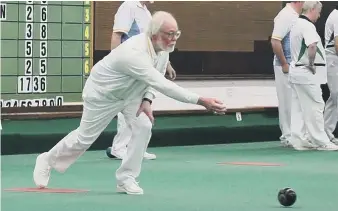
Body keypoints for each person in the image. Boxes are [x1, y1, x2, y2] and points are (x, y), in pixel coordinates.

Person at [33, 11, 226, 195]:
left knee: (144, 125)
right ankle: (46, 159)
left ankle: (126, 178)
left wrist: (147, 100)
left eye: (177, 33)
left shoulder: (164, 49)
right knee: (83, 139)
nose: (174, 38)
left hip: (132, 93)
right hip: (103, 94)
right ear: (154, 34)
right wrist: (202, 100)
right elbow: (163, 84)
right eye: (170, 34)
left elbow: (155, 78)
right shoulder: (134, 52)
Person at [108, 1, 177, 160]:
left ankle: (134, 148)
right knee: (127, 102)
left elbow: (154, 43)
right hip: (129, 63)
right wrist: (115, 63)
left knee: (139, 104)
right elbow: (118, 34)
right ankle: (119, 147)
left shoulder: (145, 11)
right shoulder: (128, 6)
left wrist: (166, 64)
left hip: (145, 64)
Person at [289, 1, 338, 151]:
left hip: (295, 71)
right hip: (306, 72)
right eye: (318, 12)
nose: (319, 15)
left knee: (298, 108)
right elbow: (312, 45)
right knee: (316, 106)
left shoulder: (295, 24)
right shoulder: (308, 26)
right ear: (312, 9)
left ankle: (298, 140)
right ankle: (321, 141)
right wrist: (311, 63)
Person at [270, 1, 304, 147]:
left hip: (294, 65)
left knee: (295, 101)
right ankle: (288, 136)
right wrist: (284, 63)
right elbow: (275, 41)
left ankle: (295, 134)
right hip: (285, 66)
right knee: (287, 101)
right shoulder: (286, 15)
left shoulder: (295, 15)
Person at [323, 6, 338, 145]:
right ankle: (325, 133)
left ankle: (326, 132)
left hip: (334, 58)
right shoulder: (337, 16)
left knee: (334, 98)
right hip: (333, 58)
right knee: (336, 95)